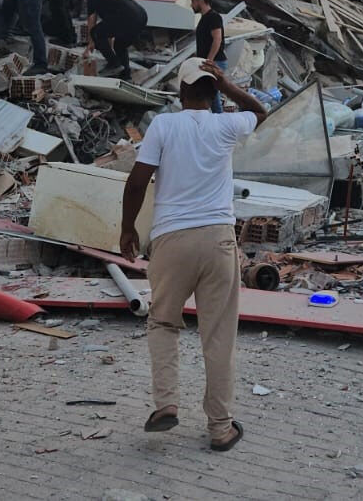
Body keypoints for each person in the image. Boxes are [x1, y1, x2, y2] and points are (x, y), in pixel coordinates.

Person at [119, 58, 266, 453]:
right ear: (213, 93)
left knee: (163, 323)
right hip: (218, 241)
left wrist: (127, 228)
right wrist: (228, 83)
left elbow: (137, 183)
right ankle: (220, 428)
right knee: (218, 336)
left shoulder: (164, 125)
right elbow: (260, 111)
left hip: (171, 240)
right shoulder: (226, 126)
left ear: (182, 91)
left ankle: (166, 403)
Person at [83, 0, 148, 80]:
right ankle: (126, 76)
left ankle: (114, 63)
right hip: (141, 17)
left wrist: (91, 42)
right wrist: (108, 47)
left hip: (126, 17)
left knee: (96, 32)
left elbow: (92, 18)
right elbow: (111, 28)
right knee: (120, 45)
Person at [192, 0, 228, 113]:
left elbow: (217, 39)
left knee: (212, 95)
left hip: (215, 61)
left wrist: (210, 60)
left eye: (193, 1)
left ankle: (218, 120)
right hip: (208, 61)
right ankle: (214, 119)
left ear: (201, 1)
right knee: (209, 94)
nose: (191, 5)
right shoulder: (204, 18)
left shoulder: (213, 17)